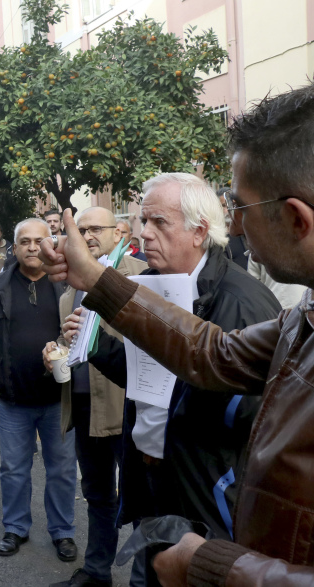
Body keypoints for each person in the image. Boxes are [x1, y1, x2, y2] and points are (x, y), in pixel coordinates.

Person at [38, 83, 314, 587]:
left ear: (296, 219)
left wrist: (209, 563)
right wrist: (97, 285)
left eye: (241, 208)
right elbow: (207, 353)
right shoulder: (303, 319)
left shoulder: (248, 299)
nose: (235, 227)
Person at [51, 174, 280, 582]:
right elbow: (146, 377)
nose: (144, 233)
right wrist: (98, 346)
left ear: (199, 231)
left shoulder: (243, 302)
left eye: (159, 222)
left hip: (208, 492)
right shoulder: (149, 285)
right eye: (142, 221)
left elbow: (252, 416)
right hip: (150, 476)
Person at [48, 206, 147, 587]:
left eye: (96, 229)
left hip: (127, 406)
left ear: (118, 233)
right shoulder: (70, 289)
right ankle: (96, 570)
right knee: (98, 495)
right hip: (84, 405)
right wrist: (54, 349)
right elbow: (74, 341)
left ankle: (143, 577)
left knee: (139, 500)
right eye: (82, 228)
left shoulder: (140, 277)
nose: (87, 235)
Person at [0, 219, 77, 562]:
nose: (32, 247)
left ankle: (63, 532)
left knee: (61, 469)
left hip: (59, 399)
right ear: (13, 248)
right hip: (14, 399)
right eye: (25, 241)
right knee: (14, 468)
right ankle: (15, 527)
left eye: (39, 241)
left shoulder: (70, 286)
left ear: (52, 245)